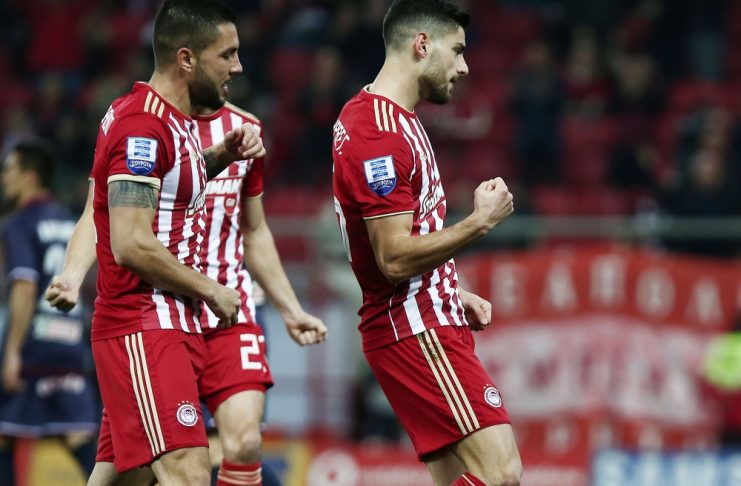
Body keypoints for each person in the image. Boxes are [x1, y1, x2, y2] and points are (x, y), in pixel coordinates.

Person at [40, 1, 265, 484]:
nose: (238, 67)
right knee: (189, 472)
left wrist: (220, 155)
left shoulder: (168, 120)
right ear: (186, 58)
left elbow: (162, 186)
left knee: (126, 477)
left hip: (164, 327)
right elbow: (130, 242)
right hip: (144, 326)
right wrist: (211, 289)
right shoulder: (142, 127)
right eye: (227, 54)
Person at [331, 1, 522, 485]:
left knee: (464, 475)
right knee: (501, 473)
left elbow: (395, 244)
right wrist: (479, 223)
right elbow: (393, 257)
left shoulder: (388, 116)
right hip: (414, 328)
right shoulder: (379, 134)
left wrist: (448, 289)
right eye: (457, 50)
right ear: (422, 45)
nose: (465, 66)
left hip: (421, 317)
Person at [0, 139, 99, 484]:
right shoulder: (69, 221)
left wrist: (13, 352)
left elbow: (25, 286)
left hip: (33, 346)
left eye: (9, 170)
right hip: (69, 343)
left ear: (30, 176)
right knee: (77, 435)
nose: (4, 178)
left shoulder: (20, 223)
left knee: (5, 433)